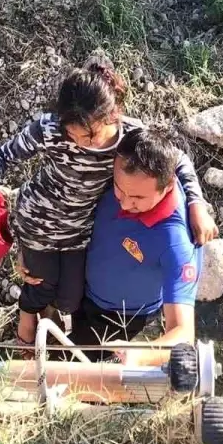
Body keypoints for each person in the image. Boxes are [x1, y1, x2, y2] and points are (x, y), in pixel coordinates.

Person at [0, 55, 217, 345]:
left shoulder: (131, 138)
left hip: (79, 229)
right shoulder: (49, 130)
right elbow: (3, 154)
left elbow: (177, 160)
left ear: (111, 116)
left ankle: (50, 330)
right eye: (72, 134)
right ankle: (25, 339)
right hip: (40, 220)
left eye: (89, 136)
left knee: (70, 298)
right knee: (40, 283)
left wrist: (196, 204)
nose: (80, 143)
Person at [23, 125, 200, 365]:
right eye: (119, 190)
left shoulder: (177, 242)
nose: (125, 204)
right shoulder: (113, 171)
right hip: (82, 287)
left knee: (64, 372)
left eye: (137, 199)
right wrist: (31, 250)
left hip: (120, 319)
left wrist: (141, 355)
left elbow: (183, 334)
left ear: (167, 185)